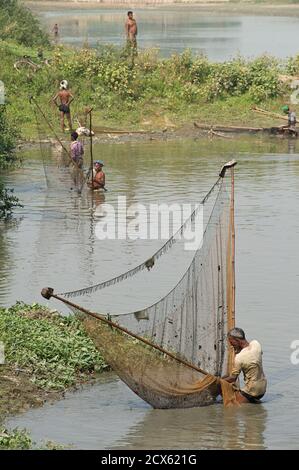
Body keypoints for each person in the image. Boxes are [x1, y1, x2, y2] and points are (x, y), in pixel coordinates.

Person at [221, 327, 267, 404]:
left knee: (231, 406)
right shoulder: (256, 344)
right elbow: (257, 356)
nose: (232, 346)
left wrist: (219, 381)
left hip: (251, 391)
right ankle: (253, 401)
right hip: (262, 389)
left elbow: (233, 378)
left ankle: (249, 399)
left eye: (232, 343)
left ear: (237, 340)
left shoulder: (239, 357)